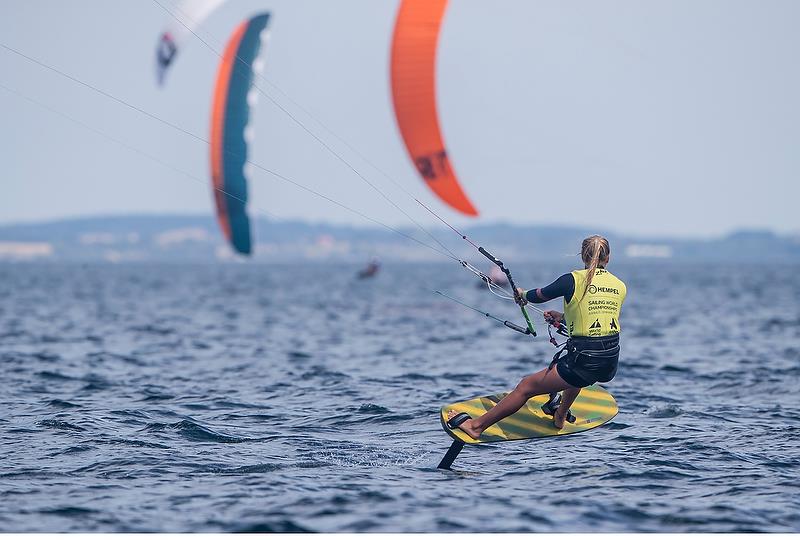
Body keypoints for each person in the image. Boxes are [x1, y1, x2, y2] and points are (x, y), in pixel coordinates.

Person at [447, 235, 626, 435]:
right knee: (573, 376)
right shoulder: (619, 285)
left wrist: (522, 295)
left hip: (585, 360)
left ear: (583, 256)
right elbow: (596, 316)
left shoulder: (572, 280)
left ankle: (475, 426)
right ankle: (560, 415)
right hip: (609, 362)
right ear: (608, 258)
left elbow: (539, 296)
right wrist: (563, 318)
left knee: (525, 387)